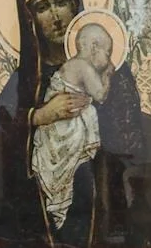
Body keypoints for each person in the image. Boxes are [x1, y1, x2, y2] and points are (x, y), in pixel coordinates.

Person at [0, 0, 145, 248]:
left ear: (75, 4)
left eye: (61, 2)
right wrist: (40, 115)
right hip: (39, 213)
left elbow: (130, 139)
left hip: (100, 203)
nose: (55, 16)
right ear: (31, 19)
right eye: (43, 7)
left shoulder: (112, 71)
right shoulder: (26, 79)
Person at [31, 22, 115, 232]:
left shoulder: (71, 64)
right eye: (107, 52)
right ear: (94, 47)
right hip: (68, 132)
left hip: (58, 132)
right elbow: (100, 95)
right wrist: (107, 74)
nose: (108, 59)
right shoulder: (84, 67)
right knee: (73, 175)